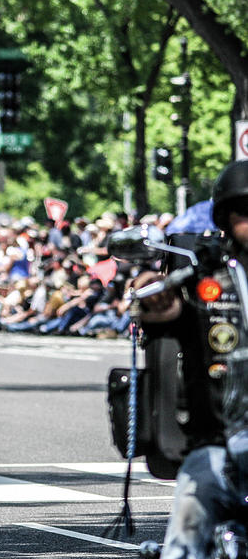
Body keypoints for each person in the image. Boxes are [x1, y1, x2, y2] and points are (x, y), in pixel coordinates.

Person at [135, 160, 248, 559]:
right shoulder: (206, 279)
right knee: (183, 540)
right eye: (244, 212)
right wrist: (158, 304)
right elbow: (165, 315)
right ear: (225, 217)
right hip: (219, 445)